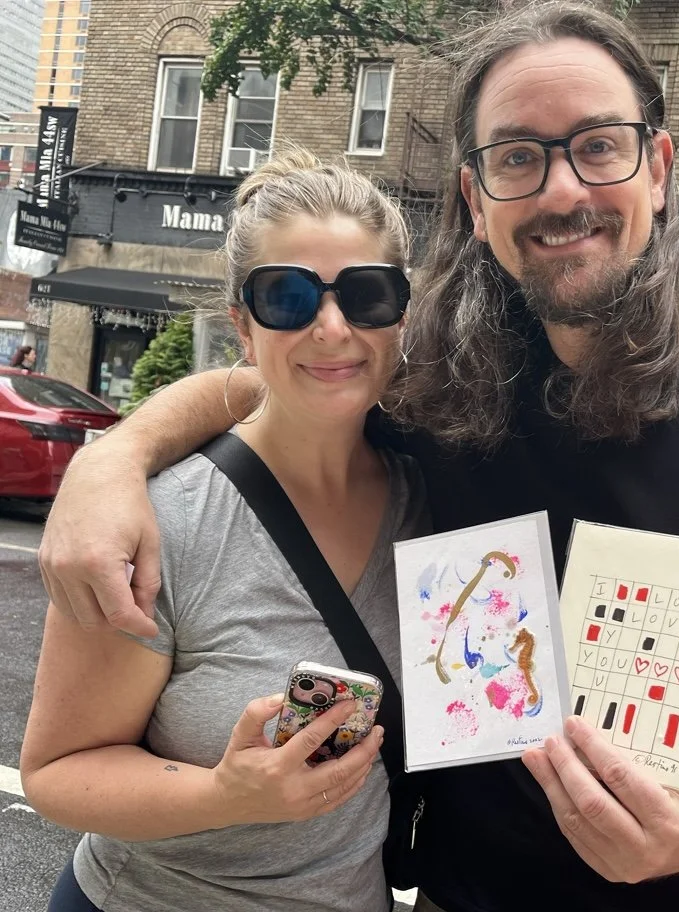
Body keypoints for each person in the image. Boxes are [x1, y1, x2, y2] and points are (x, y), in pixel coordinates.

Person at [36, 4, 679, 912]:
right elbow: (291, 379)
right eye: (518, 156)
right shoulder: (444, 384)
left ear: (658, 165)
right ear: (474, 198)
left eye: (598, 145)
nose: (562, 190)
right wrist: (114, 460)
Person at [21, 149, 428, 912]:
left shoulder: (434, 501)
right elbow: (57, 771)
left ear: (402, 314)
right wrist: (225, 793)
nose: (331, 326)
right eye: (287, 297)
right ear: (242, 325)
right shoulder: (166, 520)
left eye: (368, 294)